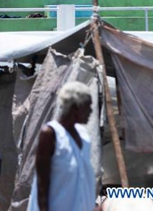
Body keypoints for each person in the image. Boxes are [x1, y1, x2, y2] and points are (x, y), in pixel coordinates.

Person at [28, 81, 96, 211]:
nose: (91, 111)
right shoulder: (51, 134)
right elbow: (42, 183)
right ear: (76, 107)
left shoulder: (84, 136)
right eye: (88, 106)